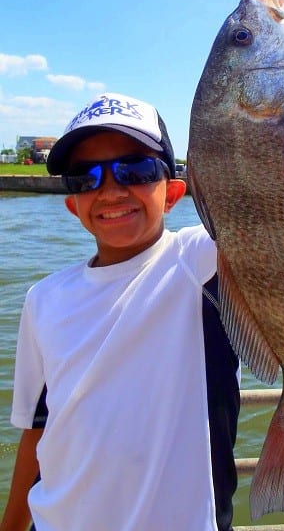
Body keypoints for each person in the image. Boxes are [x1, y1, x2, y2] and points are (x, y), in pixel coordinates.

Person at [0, 92, 240, 531]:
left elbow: (277, 202)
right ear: (73, 205)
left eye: (135, 170)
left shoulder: (201, 263)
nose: (109, 190)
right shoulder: (43, 299)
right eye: (83, 177)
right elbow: (37, 434)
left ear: (173, 193)